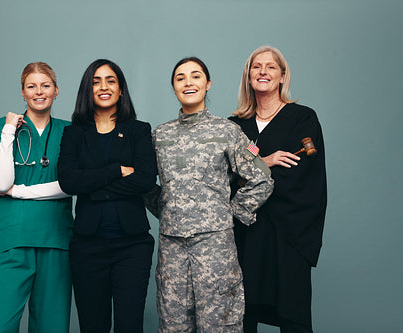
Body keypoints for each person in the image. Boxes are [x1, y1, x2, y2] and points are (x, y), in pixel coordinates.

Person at [144, 57, 274, 333]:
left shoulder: (227, 131)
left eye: (195, 76)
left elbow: (261, 177)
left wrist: (232, 212)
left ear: (208, 83)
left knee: (220, 325)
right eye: (180, 78)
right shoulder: (160, 136)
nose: (188, 83)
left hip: (215, 248)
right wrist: (166, 208)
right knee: (173, 325)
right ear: (174, 87)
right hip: (172, 249)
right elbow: (144, 183)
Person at [228, 46, 327, 333]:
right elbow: (224, 178)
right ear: (248, 77)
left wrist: (249, 176)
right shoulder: (234, 126)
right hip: (244, 237)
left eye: (270, 67)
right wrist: (264, 162)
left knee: (292, 316)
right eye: (256, 67)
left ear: (282, 76)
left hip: (287, 235)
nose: (263, 72)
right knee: (241, 317)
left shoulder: (302, 119)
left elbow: (301, 174)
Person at [57, 59, 157, 333]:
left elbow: (145, 179)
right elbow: (68, 181)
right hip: (88, 246)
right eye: (96, 81)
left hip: (132, 246)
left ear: (121, 89)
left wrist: (92, 184)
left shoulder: (139, 130)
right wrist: (117, 170)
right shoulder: (74, 133)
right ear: (87, 91)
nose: (103, 87)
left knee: (129, 325)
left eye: (110, 80)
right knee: (93, 326)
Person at [0, 62, 73, 333]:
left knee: (52, 326)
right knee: (1, 326)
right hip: (11, 240)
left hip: (55, 240)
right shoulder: (3, 127)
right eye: (31, 86)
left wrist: (19, 192)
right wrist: (9, 131)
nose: (39, 92)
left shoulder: (70, 132)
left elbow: (71, 184)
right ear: (23, 92)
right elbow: (1, 182)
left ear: (56, 90)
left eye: (45, 85)